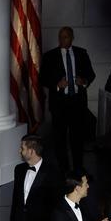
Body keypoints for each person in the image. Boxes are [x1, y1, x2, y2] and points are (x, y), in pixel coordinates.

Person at [41, 26, 96, 171]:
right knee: (59, 139)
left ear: (72, 38)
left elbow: (91, 74)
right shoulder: (50, 56)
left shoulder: (81, 53)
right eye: (60, 37)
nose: (62, 39)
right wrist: (57, 85)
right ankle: (63, 170)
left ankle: (78, 168)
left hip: (77, 102)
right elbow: (42, 78)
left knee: (77, 138)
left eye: (65, 37)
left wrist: (83, 81)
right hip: (59, 103)